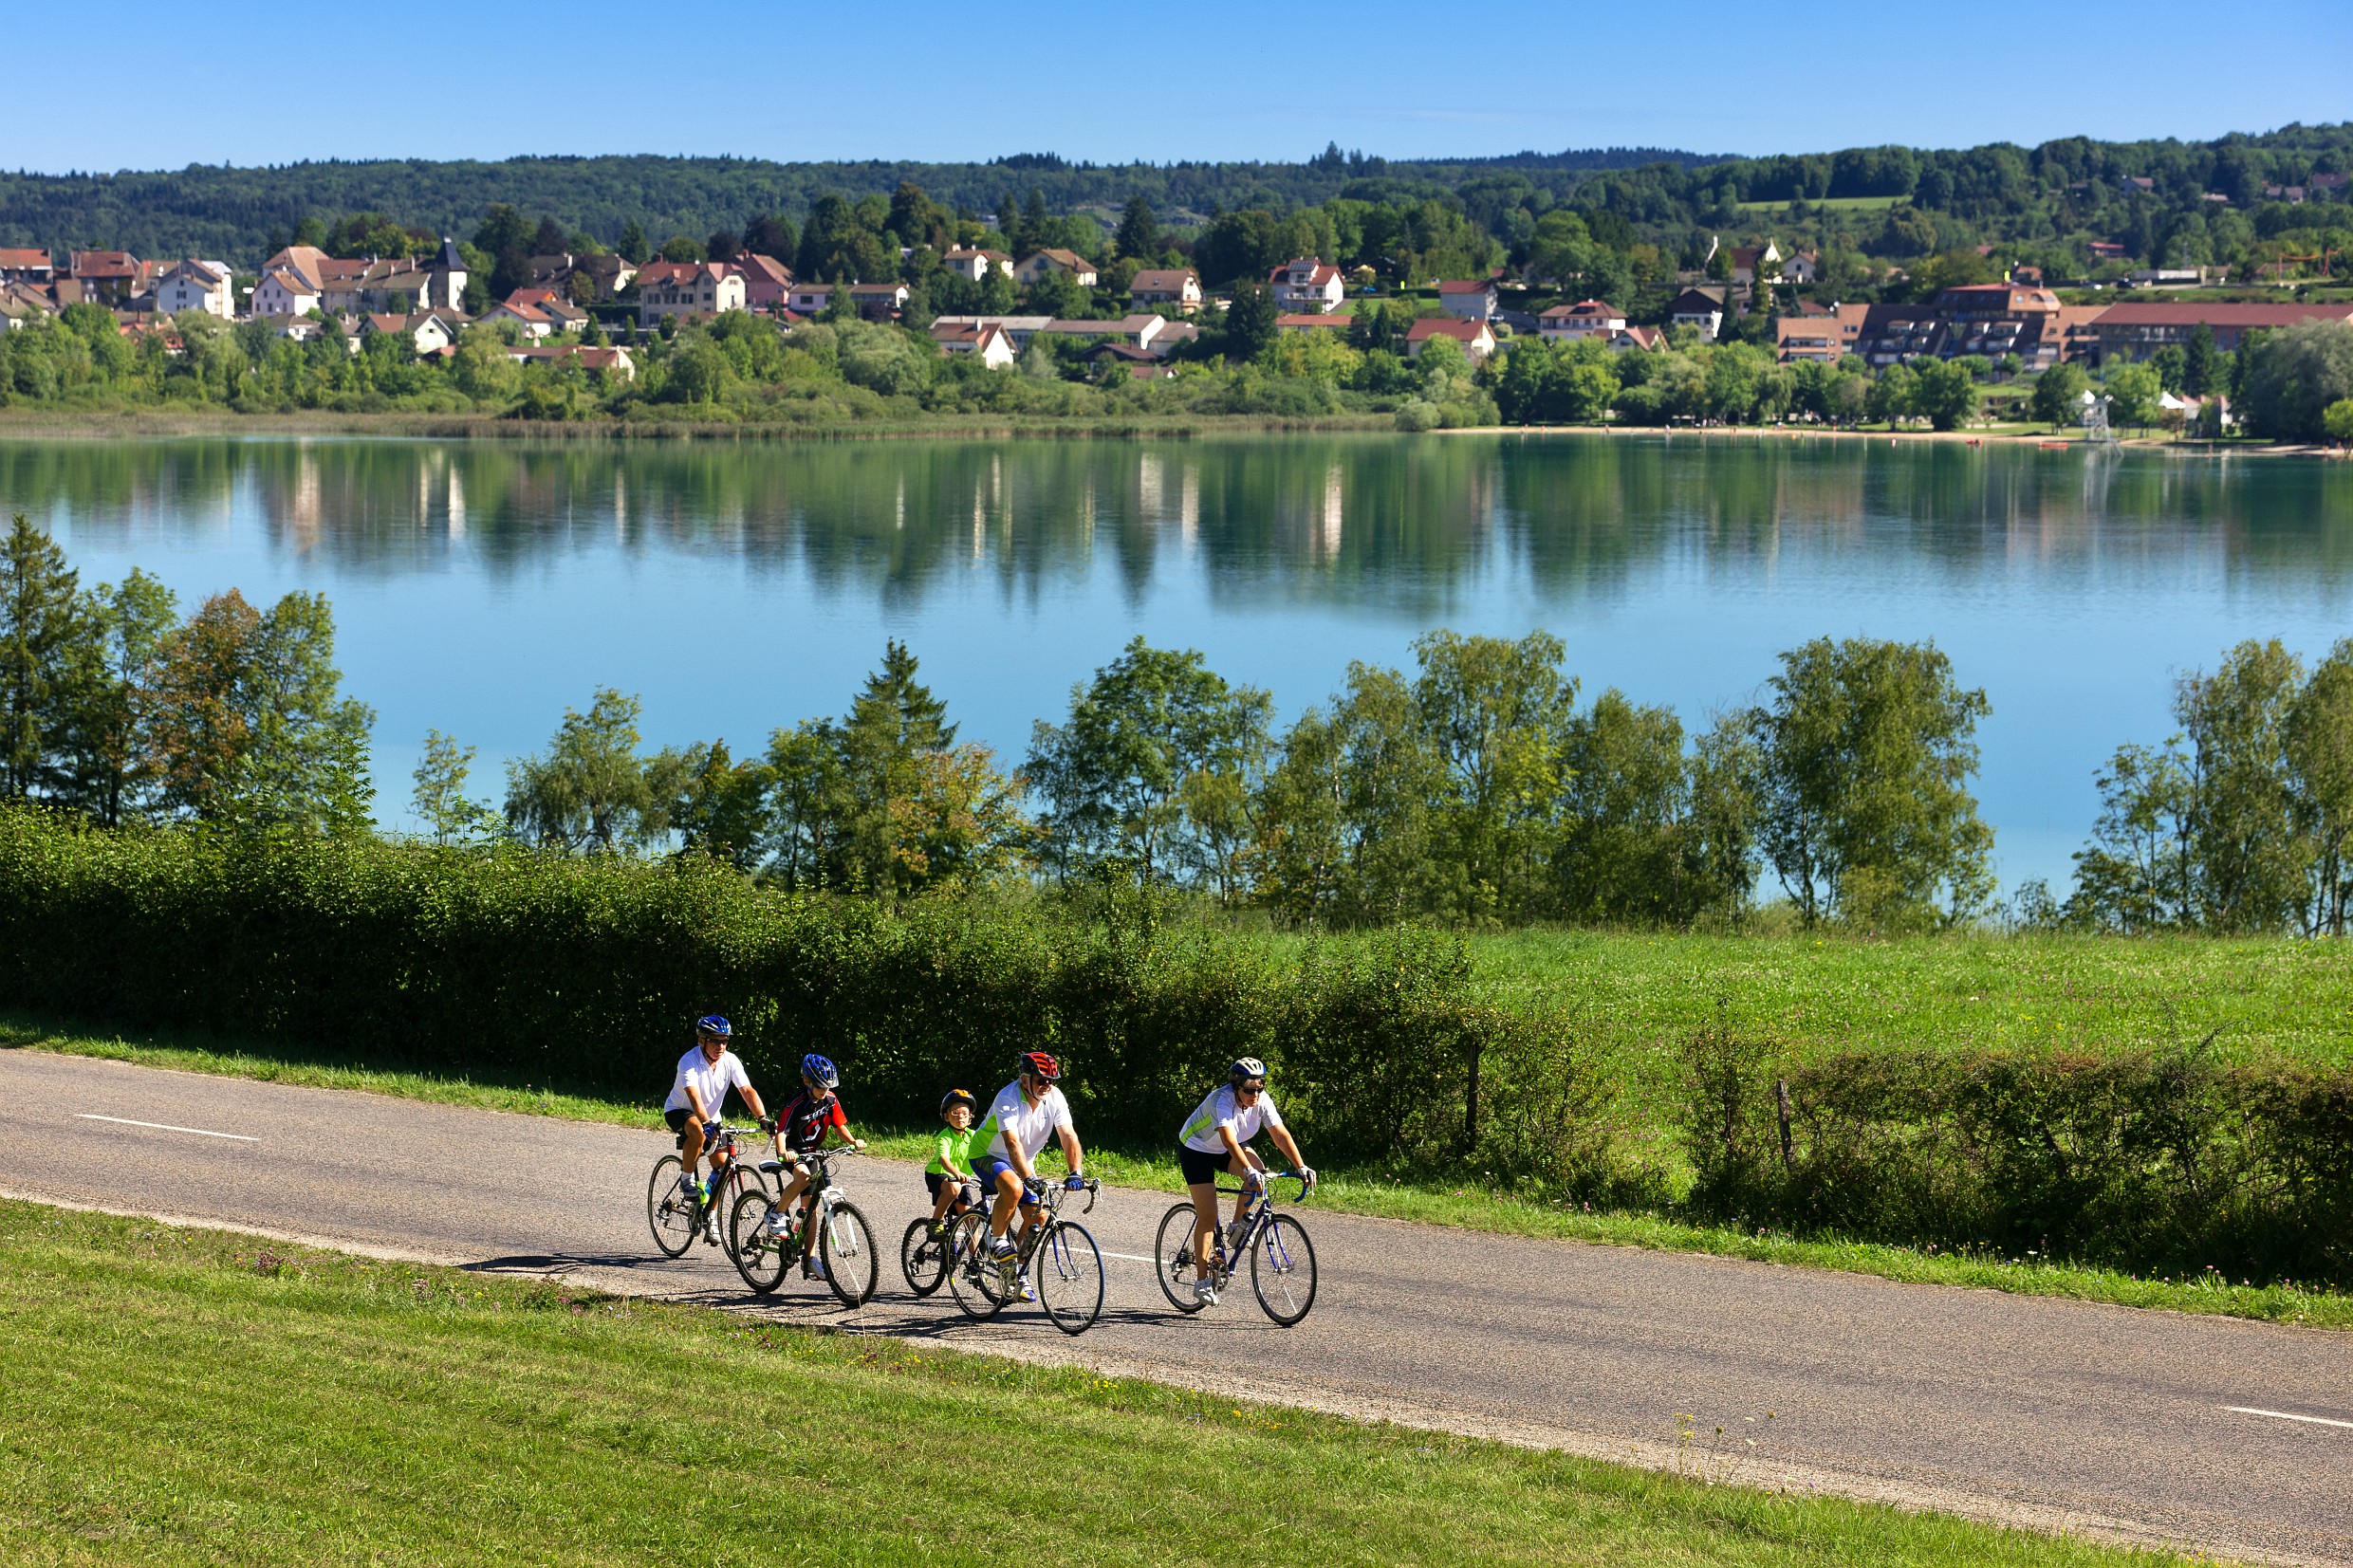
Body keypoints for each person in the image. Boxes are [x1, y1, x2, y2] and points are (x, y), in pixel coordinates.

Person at [1177, 1056, 1313, 1305]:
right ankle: (1201, 1282)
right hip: (1197, 1150)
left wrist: (1301, 1165)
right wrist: (1247, 1169)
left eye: (1260, 1087)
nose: (1255, 1094)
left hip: (1227, 1147)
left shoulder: (1262, 1100)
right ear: (1236, 1086)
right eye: (1249, 1089)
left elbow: (1280, 1136)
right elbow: (1229, 1141)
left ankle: (1236, 1226)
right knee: (1208, 1215)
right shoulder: (1222, 1100)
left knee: (1258, 1174)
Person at [972, 1050, 1086, 1300]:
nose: (1047, 1085)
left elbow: (1068, 1135)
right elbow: (1012, 1143)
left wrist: (1075, 1171)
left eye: (1051, 1080)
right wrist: (1028, 1177)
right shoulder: (1007, 1098)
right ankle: (996, 1241)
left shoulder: (1054, 1097)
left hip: (1022, 1162)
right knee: (1013, 1188)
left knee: (1040, 1216)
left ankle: (1016, 1271)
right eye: (1041, 1080)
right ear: (1025, 1079)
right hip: (987, 1154)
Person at [662, 1015, 773, 1245]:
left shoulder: (730, 1061)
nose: (720, 1047)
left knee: (723, 1168)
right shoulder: (688, 1061)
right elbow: (693, 1097)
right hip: (680, 1111)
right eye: (715, 1041)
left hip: (711, 1118)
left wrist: (762, 1118)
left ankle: (710, 1216)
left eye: (724, 1041)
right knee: (697, 1130)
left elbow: (747, 1090)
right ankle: (686, 1179)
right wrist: (706, 1123)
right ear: (702, 1040)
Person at [769, 1053, 865, 1280]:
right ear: (807, 1082)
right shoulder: (796, 1103)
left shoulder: (830, 1099)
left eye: (828, 1086)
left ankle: (810, 1258)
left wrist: (852, 1141)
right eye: (820, 1086)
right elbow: (781, 1132)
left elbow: (839, 1125)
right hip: (793, 1151)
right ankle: (777, 1213)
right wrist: (784, 1152)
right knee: (802, 1177)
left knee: (810, 1208)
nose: (825, 1090)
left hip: (813, 1152)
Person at [925, 1090, 984, 1237]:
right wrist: (956, 1172)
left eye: (964, 1113)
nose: (960, 1117)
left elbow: (989, 1151)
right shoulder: (944, 1136)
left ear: (970, 1117)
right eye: (955, 1113)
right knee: (953, 1187)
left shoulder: (973, 1136)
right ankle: (935, 1222)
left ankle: (975, 1259)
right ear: (946, 1116)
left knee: (970, 1219)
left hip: (961, 1180)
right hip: (938, 1174)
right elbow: (943, 1159)